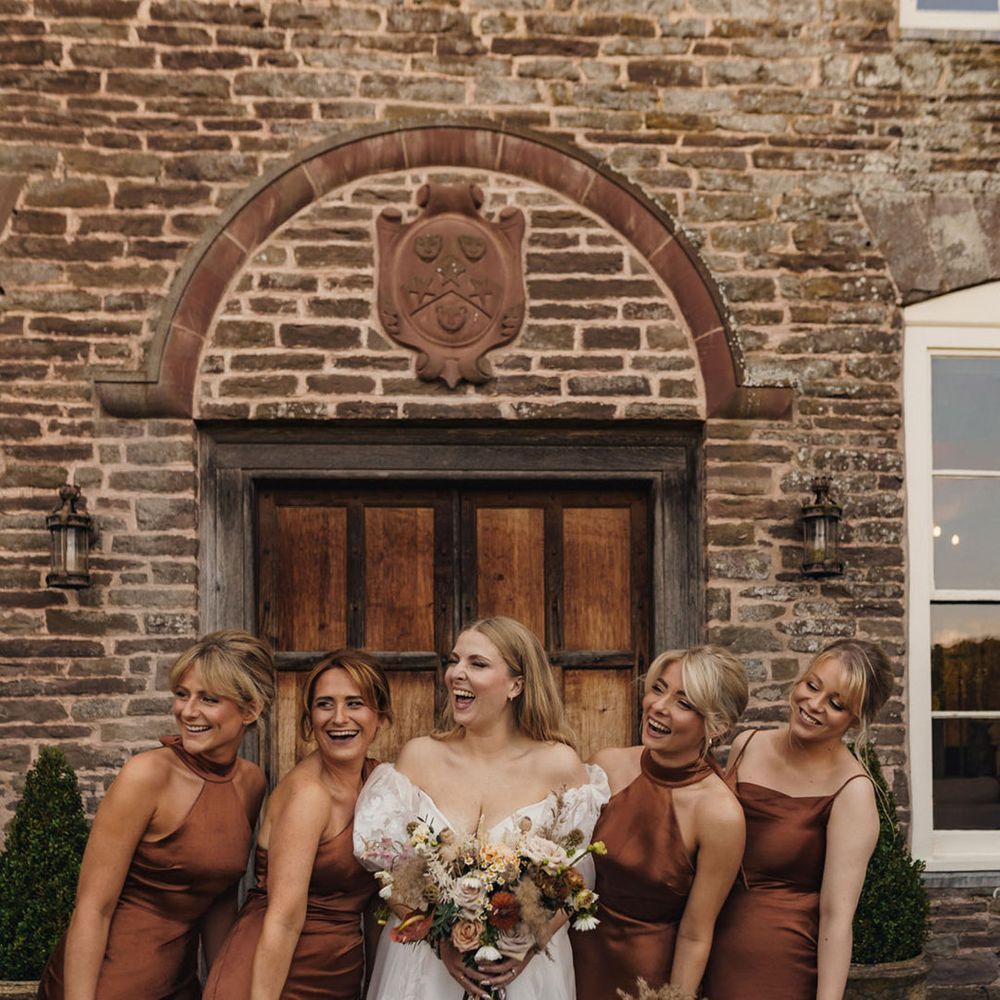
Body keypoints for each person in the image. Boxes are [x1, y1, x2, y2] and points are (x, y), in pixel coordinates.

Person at [353, 616, 610, 1000]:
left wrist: (528, 948)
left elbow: (576, 881)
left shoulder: (558, 765)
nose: (457, 673)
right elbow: (388, 871)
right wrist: (437, 941)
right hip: (424, 968)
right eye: (454, 661)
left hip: (522, 975)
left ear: (516, 685)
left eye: (477, 664)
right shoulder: (420, 757)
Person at [38, 630, 276, 1000]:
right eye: (182, 695)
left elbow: (219, 899)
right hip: (106, 982)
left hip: (179, 985)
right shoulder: (146, 775)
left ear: (250, 709)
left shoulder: (251, 782)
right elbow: (93, 907)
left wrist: (222, 988)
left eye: (208, 699)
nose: (188, 711)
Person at [702, 638, 895, 1000]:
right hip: (707, 948)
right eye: (812, 685)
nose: (814, 705)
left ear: (855, 721)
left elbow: (837, 918)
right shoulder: (748, 744)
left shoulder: (852, 790)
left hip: (781, 970)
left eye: (837, 704)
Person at [203, 649, 392, 1000]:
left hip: (338, 972)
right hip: (275, 975)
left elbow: (376, 903)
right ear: (309, 718)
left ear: (379, 715)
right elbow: (285, 918)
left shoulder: (377, 783)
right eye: (325, 704)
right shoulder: (310, 796)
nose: (339, 718)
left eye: (354, 703)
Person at [573, 646, 748, 1000]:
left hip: (646, 979)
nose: (658, 706)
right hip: (573, 961)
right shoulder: (605, 766)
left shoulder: (720, 815)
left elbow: (696, 933)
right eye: (658, 688)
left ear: (717, 725)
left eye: (683, 703)